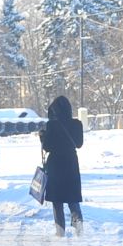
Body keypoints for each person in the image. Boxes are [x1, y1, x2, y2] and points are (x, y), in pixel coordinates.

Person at [39, 94, 85, 235]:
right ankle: (78, 224)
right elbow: (79, 144)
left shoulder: (51, 125)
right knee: (72, 197)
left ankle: (60, 231)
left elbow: (47, 146)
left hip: (56, 165)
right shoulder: (77, 124)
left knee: (57, 200)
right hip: (71, 163)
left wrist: (43, 137)